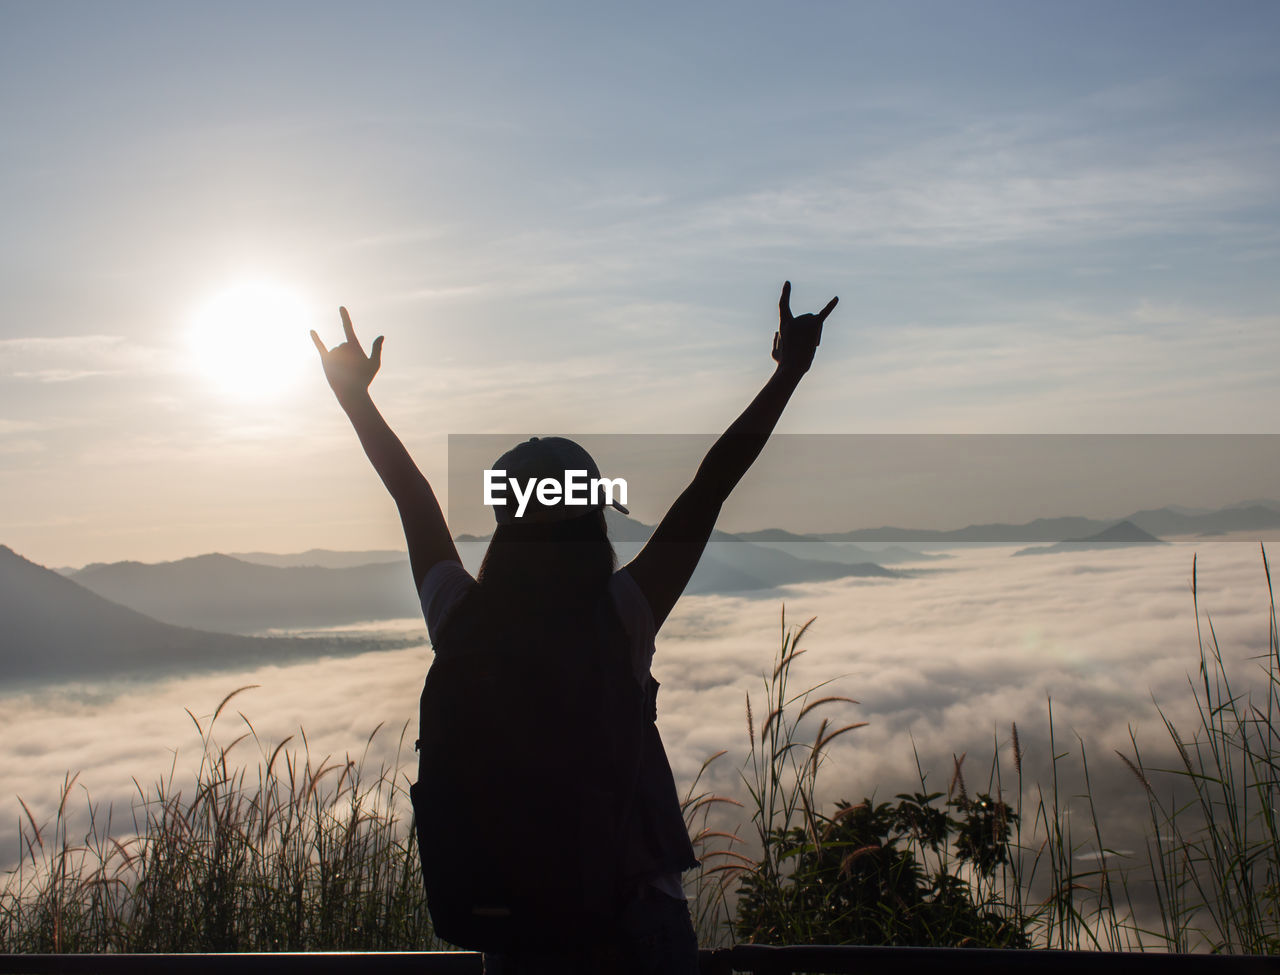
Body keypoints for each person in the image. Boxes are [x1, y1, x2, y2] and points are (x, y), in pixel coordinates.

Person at [310, 281, 838, 973]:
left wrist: (354, 397)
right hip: (634, 925)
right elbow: (712, 484)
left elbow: (413, 496)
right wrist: (789, 372)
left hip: (514, 933)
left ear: (504, 525)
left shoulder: (459, 618)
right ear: (593, 519)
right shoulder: (623, 614)